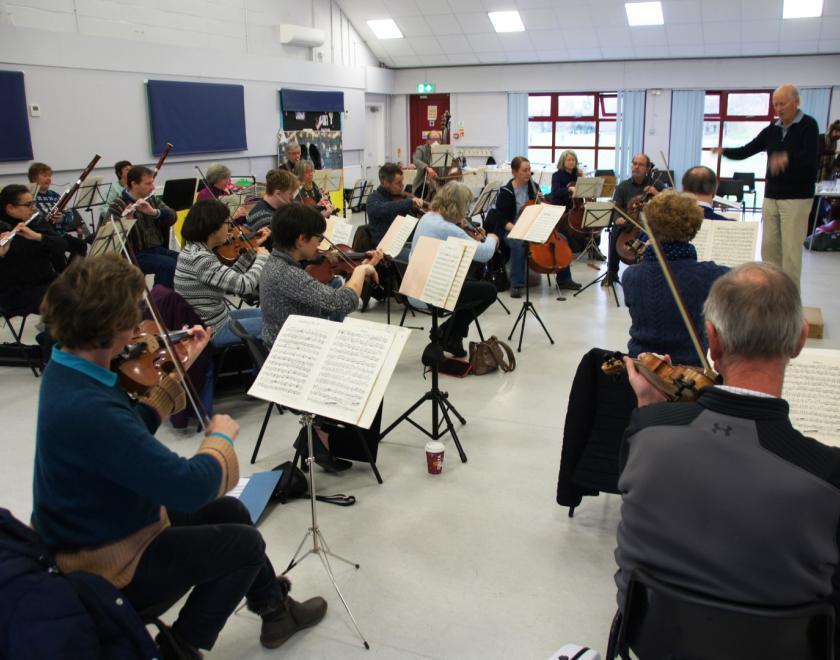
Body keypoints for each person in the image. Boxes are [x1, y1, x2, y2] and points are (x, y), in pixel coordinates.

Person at [32, 254, 327, 659]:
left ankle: (275, 610)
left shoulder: (68, 369)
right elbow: (190, 487)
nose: (140, 329)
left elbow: (126, 434)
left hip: (105, 523)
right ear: (112, 327)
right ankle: (178, 650)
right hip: (106, 563)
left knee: (231, 512)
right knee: (243, 545)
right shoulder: (88, 407)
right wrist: (220, 440)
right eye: (134, 318)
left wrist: (175, 375)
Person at [614, 262, 840, 636]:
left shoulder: (645, 433)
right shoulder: (828, 475)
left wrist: (650, 412)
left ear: (712, 341)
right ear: (800, 339)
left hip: (650, 638)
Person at [712, 84, 819, 289]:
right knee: (769, 250)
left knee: (791, 253)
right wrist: (724, 151)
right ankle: (772, 295)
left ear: (796, 102)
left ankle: (790, 301)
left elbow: (810, 158)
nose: (778, 108)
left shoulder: (808, 125)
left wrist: (787, 158)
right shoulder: (772, 129)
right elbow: (747, 150)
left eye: (782, 103)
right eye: (775, 104)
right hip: (771, 196)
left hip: (796, 198)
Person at [622, 191, 729, 366]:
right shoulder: (710, 274)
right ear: (694, 227)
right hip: (690, 371)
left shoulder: (630, 275)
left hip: (641, 367)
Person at [260, 203, 382, 347]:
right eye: (319, 238)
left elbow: (324, 305)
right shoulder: (288, 274)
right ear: (301, 240)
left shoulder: (275, 261)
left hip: (287, 340)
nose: (319, 244)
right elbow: (344, 303)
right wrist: (360, 270)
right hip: (294, 348)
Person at [408, 182, 499, 357]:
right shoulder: (446, 228)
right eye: (466, 206)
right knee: (489, 292)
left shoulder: (428, 217)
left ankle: (452, 335)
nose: (466, 211)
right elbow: (485, 253)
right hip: (430, 293)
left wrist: (464, 231)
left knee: (470, 285)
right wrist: (492, 237)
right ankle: (449, 333)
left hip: (414, 286)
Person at [174, 199, 271, 349]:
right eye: (227, 223)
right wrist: (262, 258)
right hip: (215, 330)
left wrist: (252, 250)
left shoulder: (196, 250)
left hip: (220, 318)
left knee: (268, 313)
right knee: (276, 323)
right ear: (213, 229)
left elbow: (229, 279)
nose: (230, 228)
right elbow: (244, 285)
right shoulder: (201, 259)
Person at [107, 165, 179, 288]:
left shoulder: (152, 200)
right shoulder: (118, 205)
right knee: (168, 266)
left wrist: (154, 212)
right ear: (134, 184)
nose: (153, 187)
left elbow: (173, 216)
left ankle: (169, 296)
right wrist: (126, 221)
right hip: (134, 254)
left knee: (185, 261)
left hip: (157, 249)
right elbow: (108, 236)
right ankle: (160, 297)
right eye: (148, 184)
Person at [0, 184, 67, 315]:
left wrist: (38, 237)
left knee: (86, 291)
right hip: (15, 292)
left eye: (33, 203)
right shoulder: (2, 227)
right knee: (67, 301)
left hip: (45, 280)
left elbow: (62, 245)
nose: (34, 208)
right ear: (10, 208)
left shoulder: (35, 222)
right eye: (29, 205)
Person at [605, 153, 664, 285]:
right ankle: (611, 272)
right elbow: (616, 207)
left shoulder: (656, 184)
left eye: (640, 164)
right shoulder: (623, 186)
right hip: (630, 224)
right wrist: (617, 219)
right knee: (615, 233)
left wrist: (657, 194)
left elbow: (669, 202)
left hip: (651, 225)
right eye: (634, 164)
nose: (636, 167)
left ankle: (655, 274)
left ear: (648, 168)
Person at [484, 156, 538, 299]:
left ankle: (564, 279)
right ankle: (516, 284)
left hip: (530, 226)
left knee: (561, 239)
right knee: (518, 244)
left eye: (529, 170)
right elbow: (502, 220)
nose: (528, 173)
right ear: (514, 172)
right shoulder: (506, 191)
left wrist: (542, 200)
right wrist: (518, 230)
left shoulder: (534, 187)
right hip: (509, 228)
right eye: (524, 170)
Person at [27, 161, 87, 261]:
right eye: (44, 176)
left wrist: (62, 218)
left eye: (49, 176)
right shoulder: (29, 197)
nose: (48, 178)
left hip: (60, 234)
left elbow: (70, 214)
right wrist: (46, 217)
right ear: (33, 178)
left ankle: (71, 269)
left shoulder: (54, 195)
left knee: (81, 245)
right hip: (43, 237)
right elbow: (33, 219)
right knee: (58, 251)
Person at [548, 149, 583, 290]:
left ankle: (564, 278)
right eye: (569, 159)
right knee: (564, 242)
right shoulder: (557, 176)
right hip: (560, 212)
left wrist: (582, 180)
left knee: (570, 242)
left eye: (573, 160)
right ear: (563, 161)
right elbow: (555, 192)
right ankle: (564, 279)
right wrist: (569, 189)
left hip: (573, 211)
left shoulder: (576, 175)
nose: (571, 162)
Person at [366, 163, 425, 245]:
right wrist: (409, 202)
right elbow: (385, 209)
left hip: (405, 242)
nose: (402, 185)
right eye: (398, 183)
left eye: (402, 181)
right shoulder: (373, 199)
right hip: (385, 247)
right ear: (386, 183)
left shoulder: (400, 197)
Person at [245, 169, 299, 248]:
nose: (292, 198)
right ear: (278, 193)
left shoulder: (271, 208)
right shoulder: (265, 220)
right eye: (290, 193)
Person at [411, 130, 441, 198]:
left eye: (437, 139)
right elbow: (416, 160)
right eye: (432, 139)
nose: (435, 142)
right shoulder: (421, 149)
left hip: (439, 181)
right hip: (423, 182)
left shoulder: (443, 150)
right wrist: (427, 168)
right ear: (427, 140)